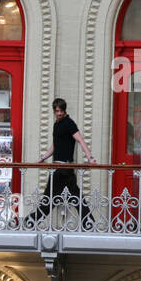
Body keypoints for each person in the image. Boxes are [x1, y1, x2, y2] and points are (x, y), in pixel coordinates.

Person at [23, 98, 96, 230]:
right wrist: (42, 158)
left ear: (64, 110)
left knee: (51, 200)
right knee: (74, 199)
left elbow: (80, 140)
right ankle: (89, 224)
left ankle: (29, 222)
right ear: (54, 111)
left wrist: (90, 157)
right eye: (57, 111)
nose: (59, 113)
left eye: (61, 111)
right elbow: (55, 146)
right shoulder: (56, 125)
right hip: (58, 169)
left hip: (65, 169)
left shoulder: (69, 123)